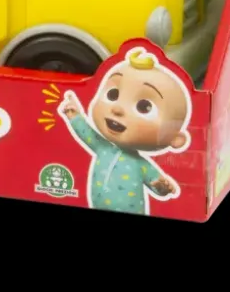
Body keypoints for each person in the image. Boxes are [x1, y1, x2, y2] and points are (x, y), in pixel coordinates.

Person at [59, 47, 191, 215]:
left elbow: (157, 186)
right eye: (113, 94)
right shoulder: (103, 148)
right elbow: (87, 133)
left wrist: (163, 187)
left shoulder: (141, 165)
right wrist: (75, 115)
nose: (118, 109)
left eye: (144, 107)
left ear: (175, 139)